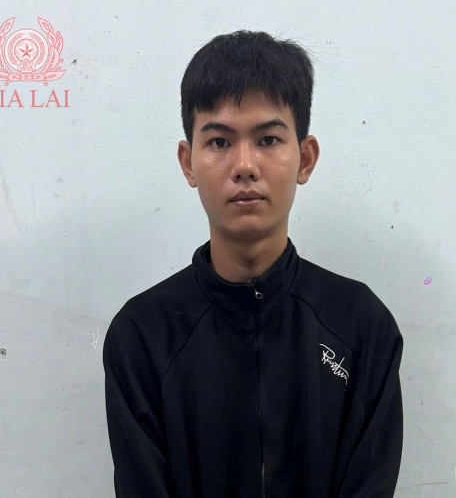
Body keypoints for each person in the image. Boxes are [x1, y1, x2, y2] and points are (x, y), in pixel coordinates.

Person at [103, 30, 403, 497]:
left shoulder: (361, 325)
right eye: (219, 142)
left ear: (305, 159)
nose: (244, 165)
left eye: (267, 139)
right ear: (188, 162)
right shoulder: (142, 335)